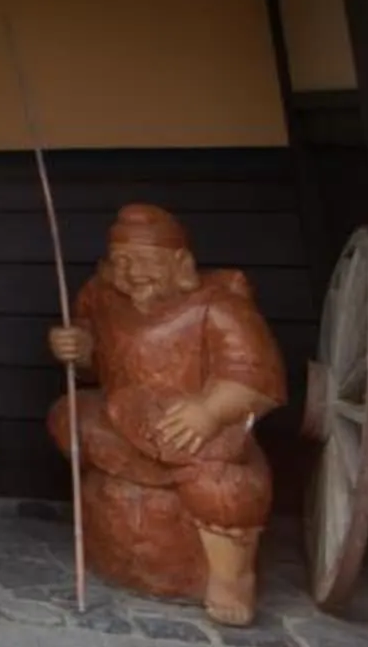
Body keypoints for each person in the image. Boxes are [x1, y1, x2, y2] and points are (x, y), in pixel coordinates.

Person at [48, 203, 285, 625]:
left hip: (191, 425)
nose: (132, 272)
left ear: (179, 262)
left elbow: (256, 379)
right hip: (126, 416)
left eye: (145, 261)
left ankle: (230, 577)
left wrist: (210, 411)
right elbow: (93, 358)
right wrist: (77, 349)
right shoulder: (101, 298)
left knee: (223, 485)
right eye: (120, 261)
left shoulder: (219, 307)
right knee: (69, 415)